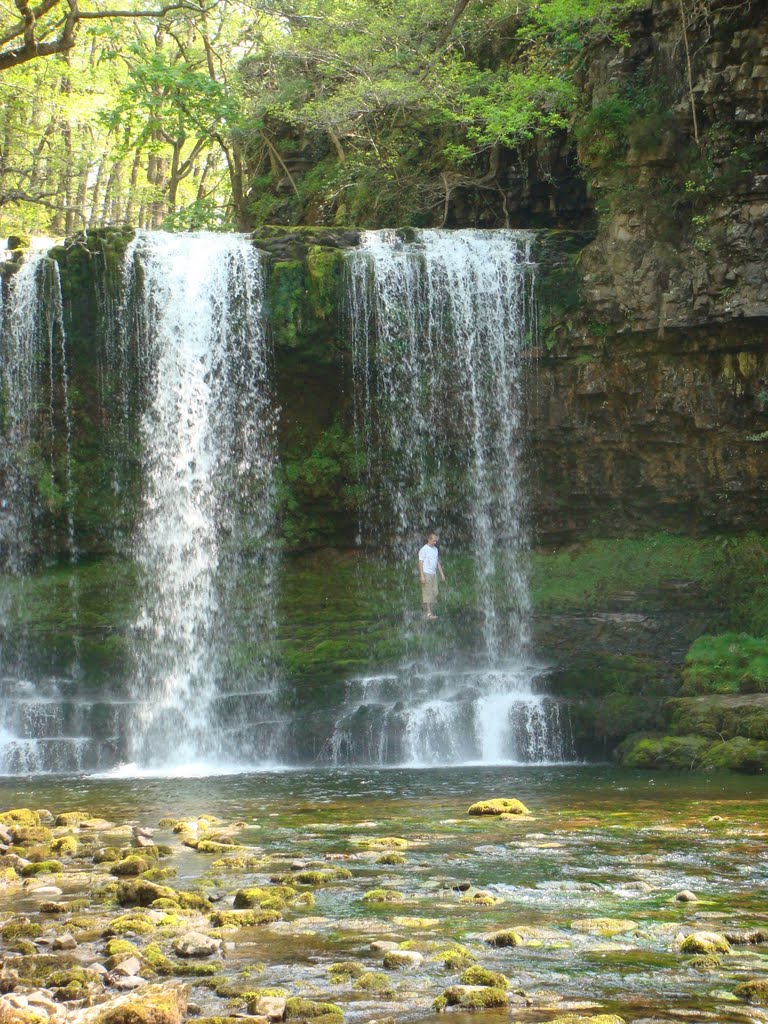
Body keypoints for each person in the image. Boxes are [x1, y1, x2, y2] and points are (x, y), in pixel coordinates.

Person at [417, 532, 446, 620]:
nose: (435, 542)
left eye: (436, 541)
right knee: (428, 593)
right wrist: (422, 576)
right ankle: (429, 614)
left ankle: (424, 607)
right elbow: (420, 563)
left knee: (435, 592)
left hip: (433, 574)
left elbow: (437, 563)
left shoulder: (435, 550)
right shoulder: (424, 549)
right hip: (426, 573)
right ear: (429, 539)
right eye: (434, 541)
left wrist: (442, 574)